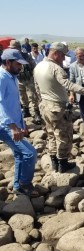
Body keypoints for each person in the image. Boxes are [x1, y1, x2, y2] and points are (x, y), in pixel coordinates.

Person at [34, 42, 84, 173]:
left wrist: (41, 102)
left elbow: (37, 88)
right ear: (55, 54)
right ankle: (62, 162)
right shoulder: (55, 68)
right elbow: (69, 85)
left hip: (44, 106)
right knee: (64, 135)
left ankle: (54, 161)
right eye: (62, 56)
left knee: (51, 135)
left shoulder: (38, 66)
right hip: (56, 107)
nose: (64, 59)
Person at [0, 49, 39, 197]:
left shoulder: (12, 76)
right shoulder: (2, 78)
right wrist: (12, 126)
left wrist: (22, 124)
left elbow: (14, 104)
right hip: (5, 125)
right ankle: (25, 184)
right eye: (18, 64)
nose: (20, 67)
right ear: (8, 62)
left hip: (13, 124)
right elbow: (1, 104)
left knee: (19, 155)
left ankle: (17, 185)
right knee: (30, 153)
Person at [9, 40, 42, 125]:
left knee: (33, 96)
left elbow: (34, 66)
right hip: (18, 79)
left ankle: (36, 113)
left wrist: (35, 77)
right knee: (22, 95)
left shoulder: (26, 56)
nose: (12, 50)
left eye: (13, 48)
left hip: (29, 80)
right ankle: (26, 110)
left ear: (19, 48)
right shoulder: (11, 58)